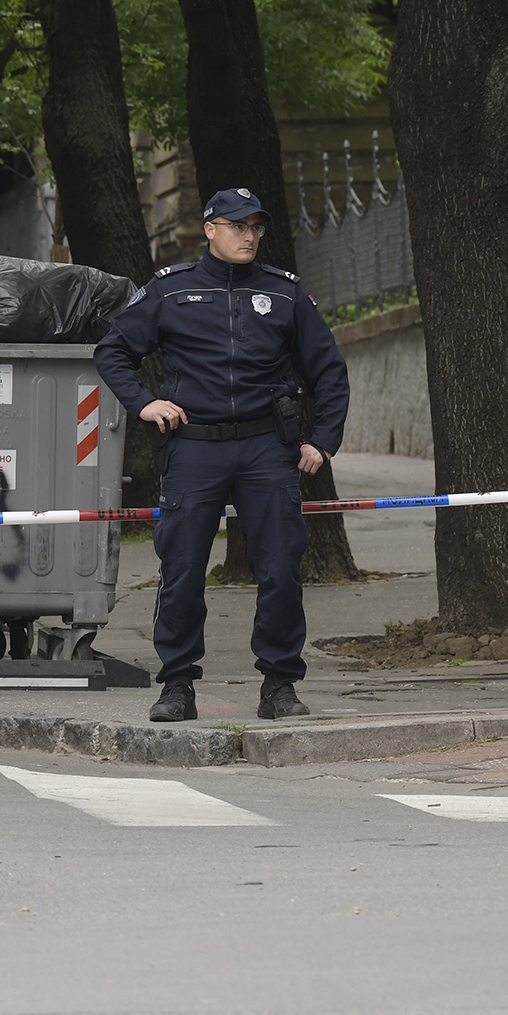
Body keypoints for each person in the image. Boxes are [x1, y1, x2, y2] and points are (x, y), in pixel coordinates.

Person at [93, 188, 349, 724]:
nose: (249, 235)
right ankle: (177, 685)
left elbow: (328, 371)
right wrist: (143, 404)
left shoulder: (284, 294)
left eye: (256, 226)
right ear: (210, 229)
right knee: (182, 568)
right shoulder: (171, 290)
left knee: (280, 567)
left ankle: (280, 686)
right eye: (237, 226)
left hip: (266, 448)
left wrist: (321, 441)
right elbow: (113, 351)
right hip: (194, 447)